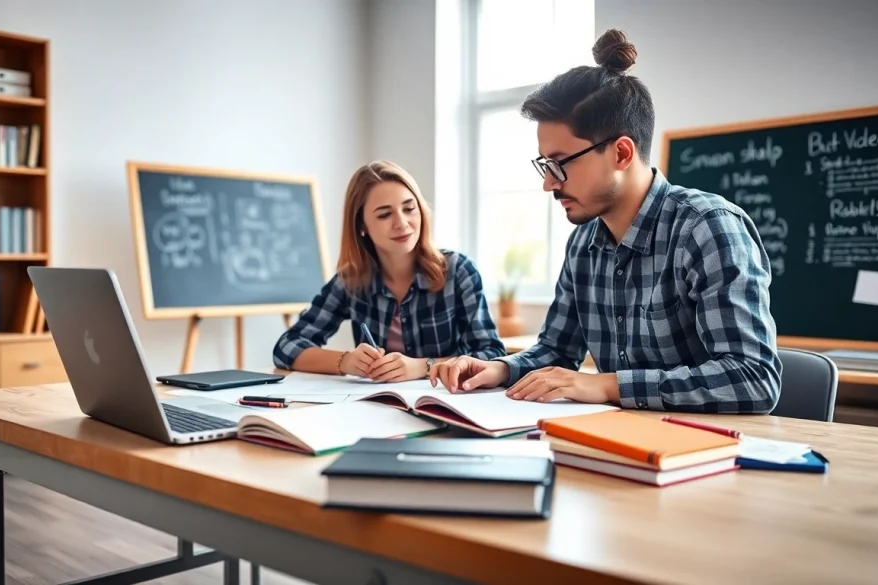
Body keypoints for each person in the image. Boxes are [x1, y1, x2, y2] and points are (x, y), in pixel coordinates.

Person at [429, 29, 781, 414]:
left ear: (622, 153)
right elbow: (557, 351)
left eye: (560, 164)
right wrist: (499, 369)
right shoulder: (583, 242)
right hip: (617, 446)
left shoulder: (708, 229)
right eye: (545, 166)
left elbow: (753, 379)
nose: (548, 183)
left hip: (706, 452)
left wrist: (607, 385)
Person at [273, 160, 506, 382]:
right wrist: (345, 362)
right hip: (375, 408)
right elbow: (287, 346)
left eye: (409, 208)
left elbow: (492, 354)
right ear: (362, 225)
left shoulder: (458, 271)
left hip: (442, 404)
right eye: (385, 214)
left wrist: (424, 366)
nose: (401, 223)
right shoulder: (351, 280)